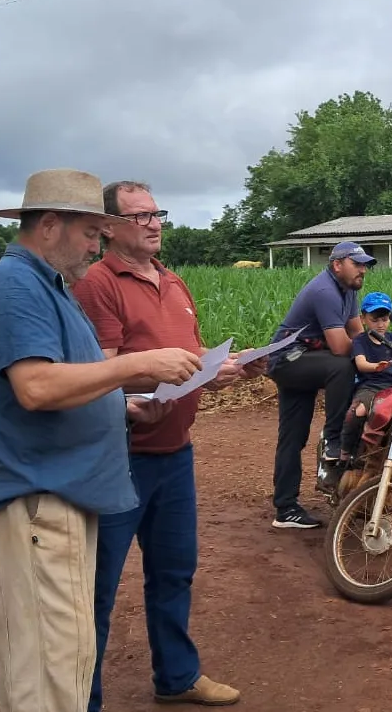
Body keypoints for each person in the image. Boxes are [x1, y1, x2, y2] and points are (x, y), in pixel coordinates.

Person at [0, 168, 202, 712]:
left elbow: (67, 380)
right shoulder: (13, 285)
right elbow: (37, 386)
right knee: (48, 667)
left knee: (62, 660)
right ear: (50, 225)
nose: (96, 245)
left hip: (55, 496)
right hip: (33, 497)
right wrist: (137, 365)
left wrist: (119, 405)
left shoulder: (49, 288)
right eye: (91, 232)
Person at [73, 180, 265, 710]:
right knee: (98, 587)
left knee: (175, 571)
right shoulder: (98, 284)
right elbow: (98, 372)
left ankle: (176, 676)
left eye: (157, 213)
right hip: (120, 457)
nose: (154, 223)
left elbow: (191, 357)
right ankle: (82, 698)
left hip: (175, 452)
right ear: (108, 227)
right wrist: (149, 387)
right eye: (140, 216)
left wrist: (227, 369)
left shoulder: (173, 281)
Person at [266, 241, 374, 528]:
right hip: (288, 360)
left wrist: (376, 349)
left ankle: (285, 509)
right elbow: (340, 347)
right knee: (342, 366)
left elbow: (356, 333)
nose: (363, 270)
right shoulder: (325, 291)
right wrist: (367, 357)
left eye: (364, 265)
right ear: (337, 264)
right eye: (357, 264)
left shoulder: (349, 289)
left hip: (307, 360)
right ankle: (333, 440)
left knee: (293, 436)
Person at [328, 291, 392, 491]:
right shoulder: (360, 341)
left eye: (384, 319)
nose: (380, 324)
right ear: (363, 319)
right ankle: (344, 456)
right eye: (375, 320)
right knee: (356, 412)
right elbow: (360, 363)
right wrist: (375, 367)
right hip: (370, 388)